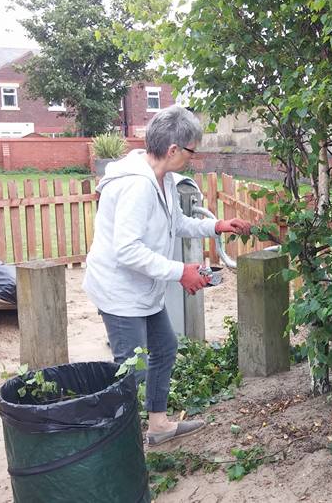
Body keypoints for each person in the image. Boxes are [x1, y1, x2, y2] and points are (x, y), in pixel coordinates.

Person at [83, 105, 250, 445]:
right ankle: (121, 444)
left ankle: (157, 425)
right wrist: (180, 272)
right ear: (173, 150)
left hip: (144, 286)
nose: (193, 157)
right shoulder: (136, 186)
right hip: (118, 290)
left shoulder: (165, 180)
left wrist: (215, 225)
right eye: (192, 151)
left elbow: (176, 224)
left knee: (164, 348)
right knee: (132, 369)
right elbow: (126, 250)